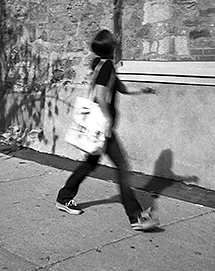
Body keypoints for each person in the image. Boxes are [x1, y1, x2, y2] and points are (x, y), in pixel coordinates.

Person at [56, 29, 162, 232]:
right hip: (103, 129)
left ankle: (64, 197)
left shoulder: (103, 65)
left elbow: (120, 88)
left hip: (100, 128)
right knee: (123, 169)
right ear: (110, 47)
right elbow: (101, 95)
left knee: (88, 165)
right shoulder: (106, 67)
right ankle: (136, 217)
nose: (117, 44)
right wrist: (107, 120)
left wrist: (143, 90)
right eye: (114, 42)